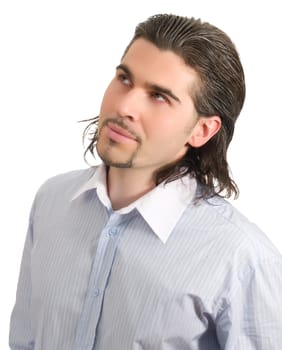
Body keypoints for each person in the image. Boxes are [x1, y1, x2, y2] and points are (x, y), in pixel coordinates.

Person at [9, 13, 282, 350]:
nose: (124, 106)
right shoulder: (51, 202)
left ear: (203, 130)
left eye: (159, 96)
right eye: (124, 78)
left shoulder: (241, 259)